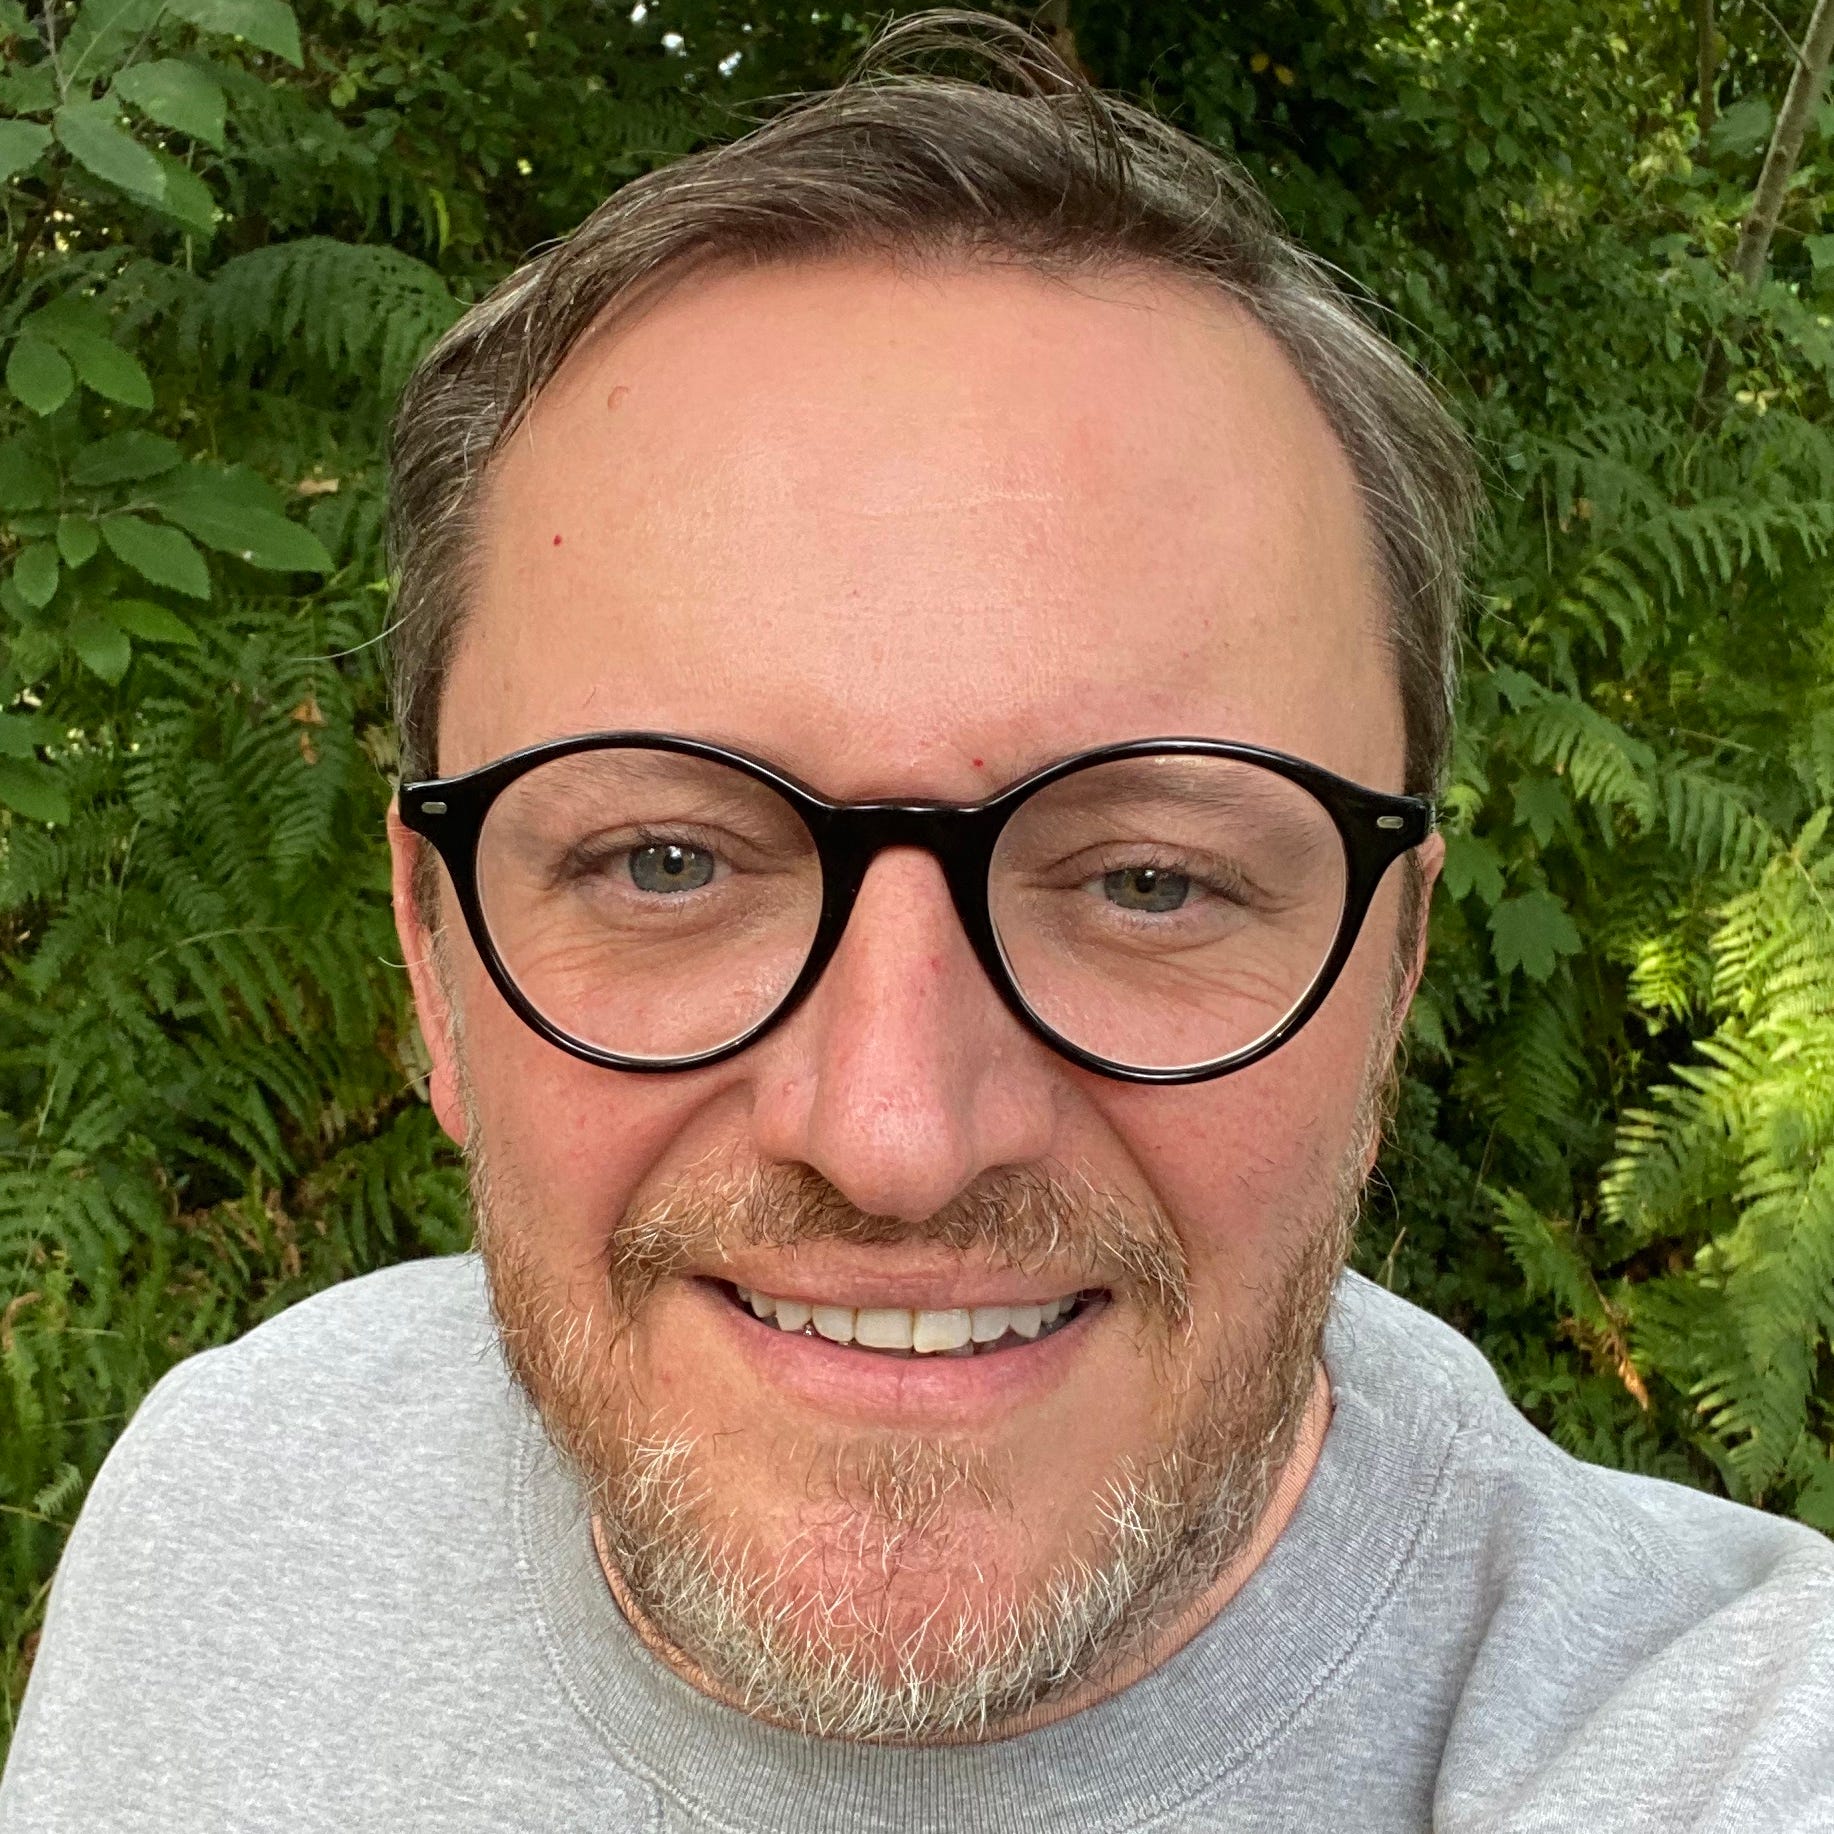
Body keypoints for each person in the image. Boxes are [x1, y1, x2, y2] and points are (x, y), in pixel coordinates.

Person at [4, 12, 1831, 1831]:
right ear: (433, 957)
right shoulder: (226, 1512)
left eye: (1148, 879)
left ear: (1392, 970)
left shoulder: (1711, 1747)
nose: (894, 1137)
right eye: (666, 861)